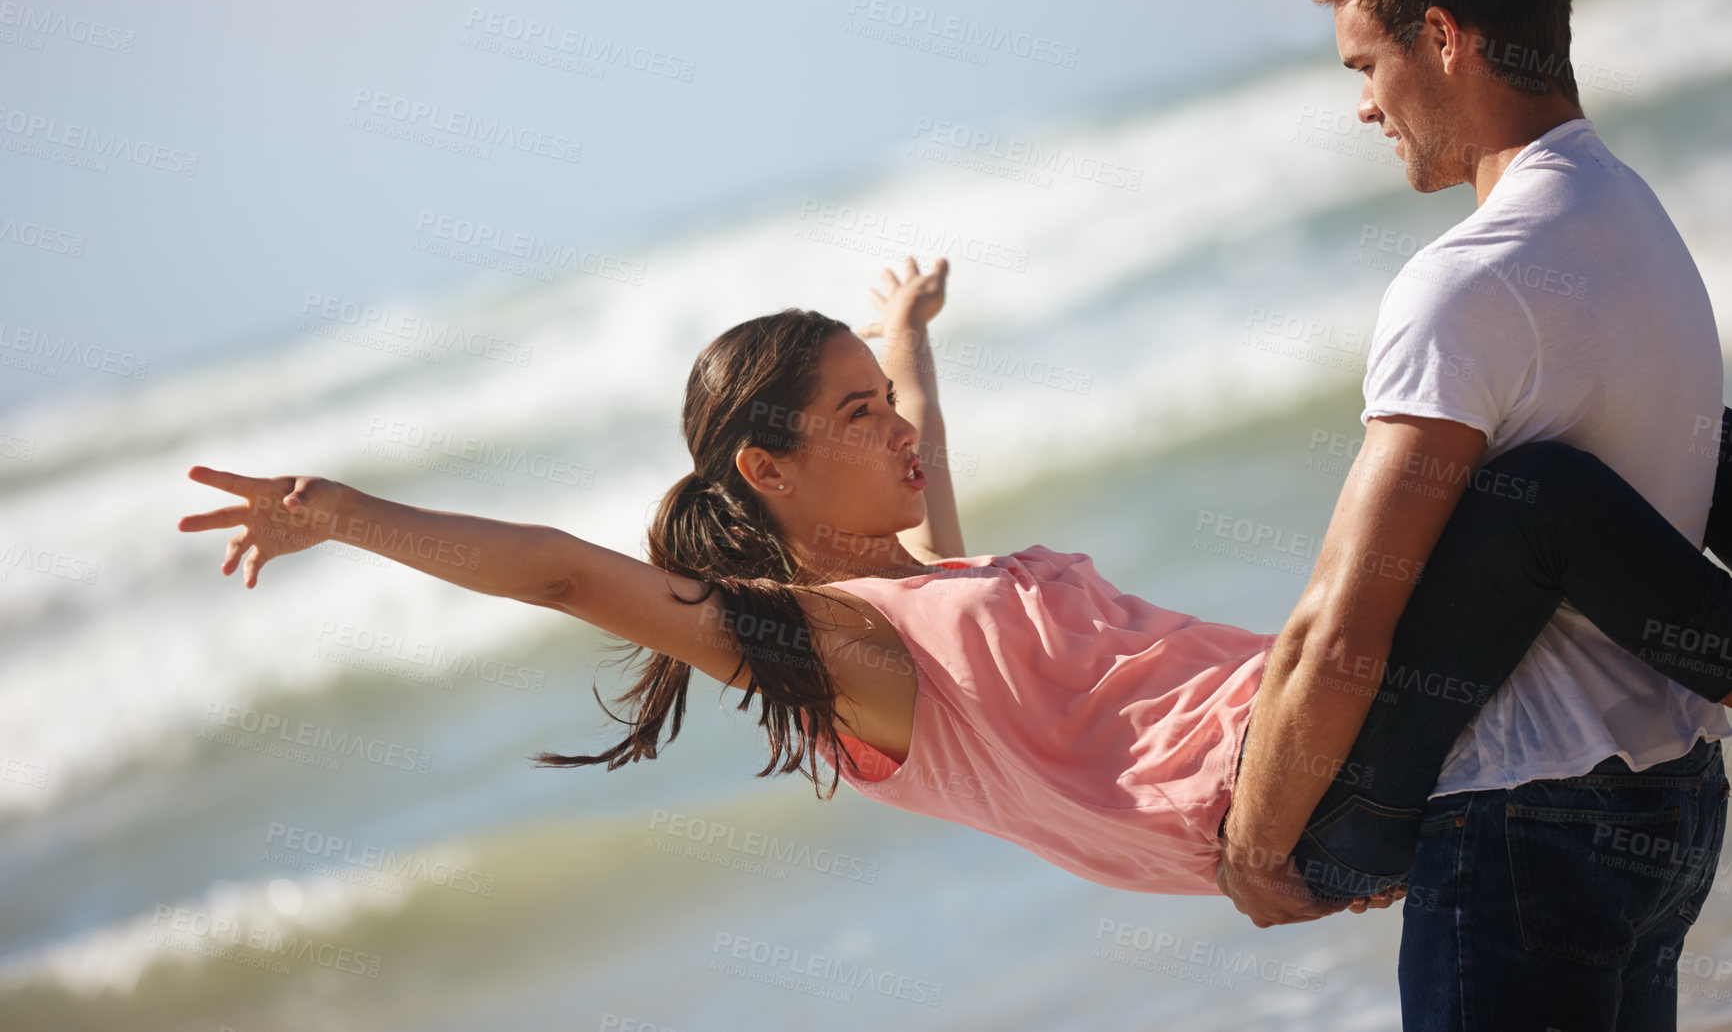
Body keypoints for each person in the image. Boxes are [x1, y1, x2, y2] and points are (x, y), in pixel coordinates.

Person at [179, 257, 1732, 921]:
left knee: (1670, 455)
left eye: (888, 401)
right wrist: (336, 508)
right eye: (855, 417)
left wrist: (902, 336)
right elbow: (575, 573)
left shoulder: (919, 590)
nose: (899, 429)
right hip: (1292, 782)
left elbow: (936, 494)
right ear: (769, 476)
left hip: (1331, 746)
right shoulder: (845, 651)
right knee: (1527, 495)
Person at [1215, 0, 1729, 1026]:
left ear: (1439, 36)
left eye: (1363, 66)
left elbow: (1344, 621)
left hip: (1522, 819)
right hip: (1671, 801)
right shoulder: (1635, 216)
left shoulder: (1470, 277)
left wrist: (1255, 839)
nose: (1363, 106)